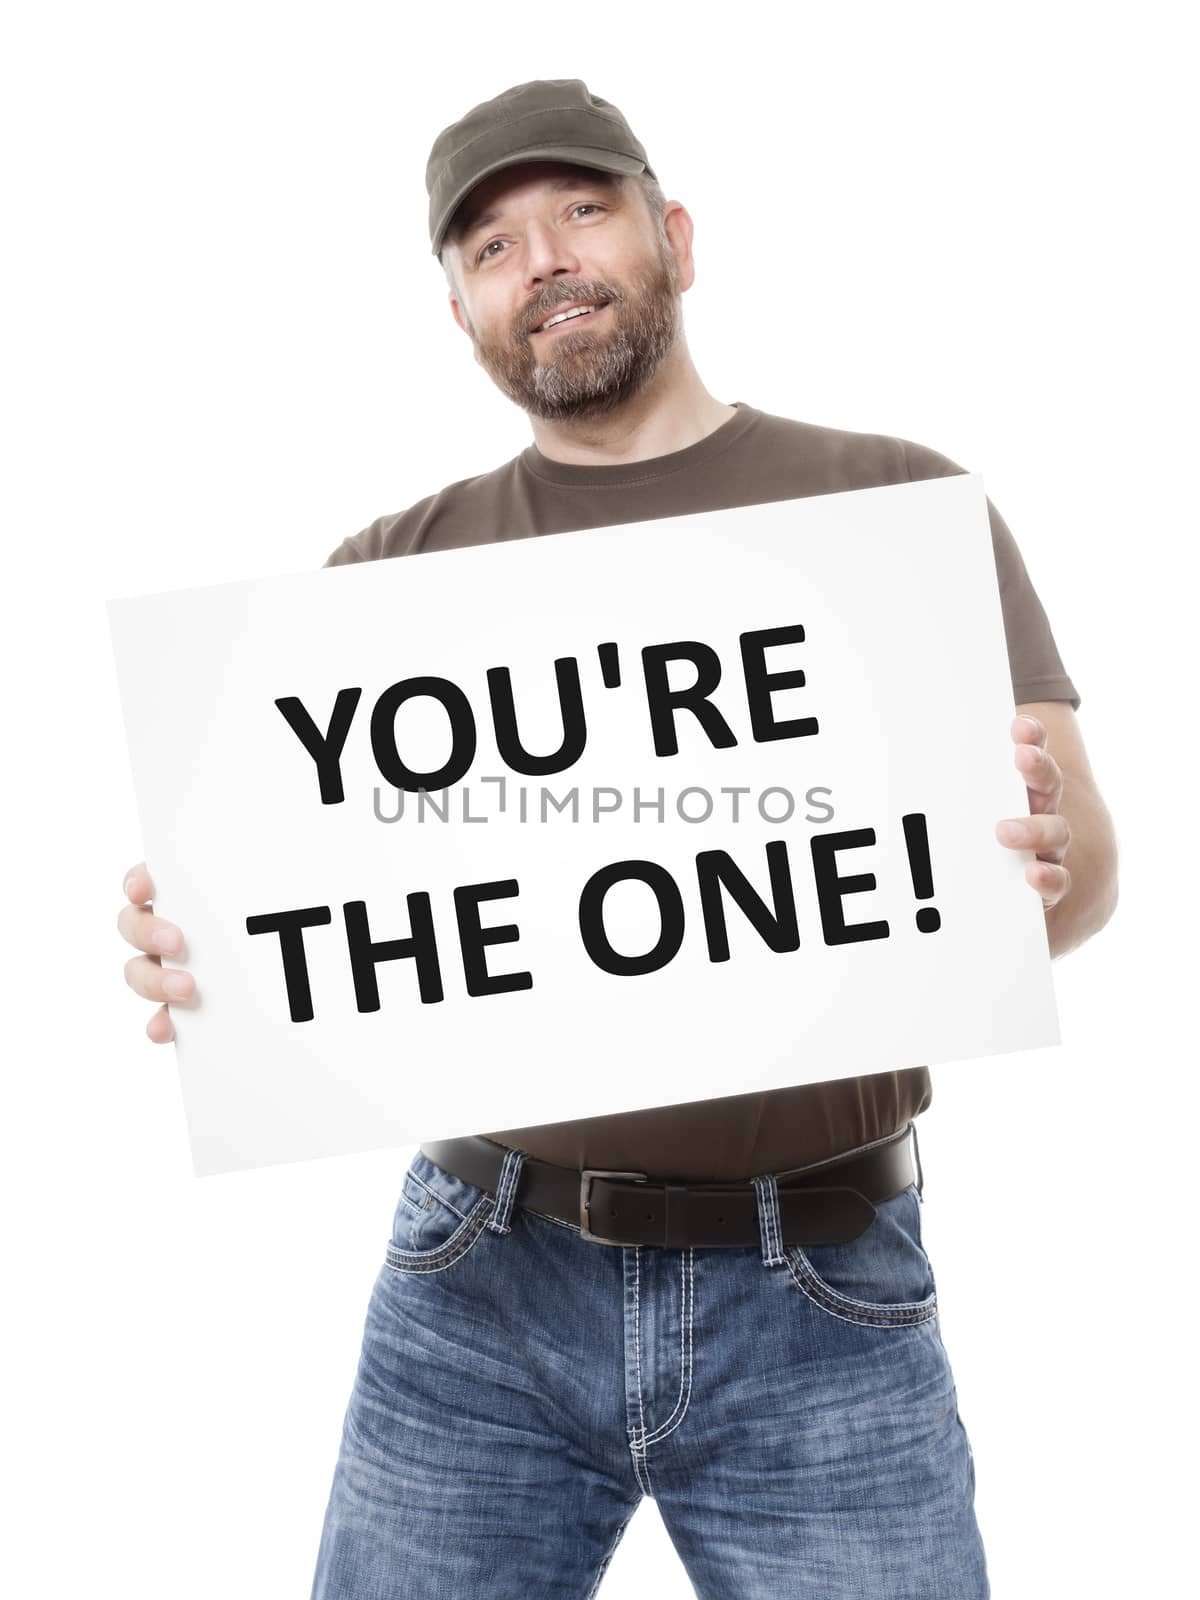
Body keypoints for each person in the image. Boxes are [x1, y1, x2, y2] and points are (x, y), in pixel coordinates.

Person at [116, 80, 1119, 1599]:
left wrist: (1042, 867)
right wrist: (207, 950)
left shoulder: (893, 509)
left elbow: (1081, 874)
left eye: (582, 212)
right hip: (480, 1284)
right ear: (459, 308)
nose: (548, 262)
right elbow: (305, 920)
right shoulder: (389, 576)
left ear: (676, 238)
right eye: (495, 245)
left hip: (824, 1289)